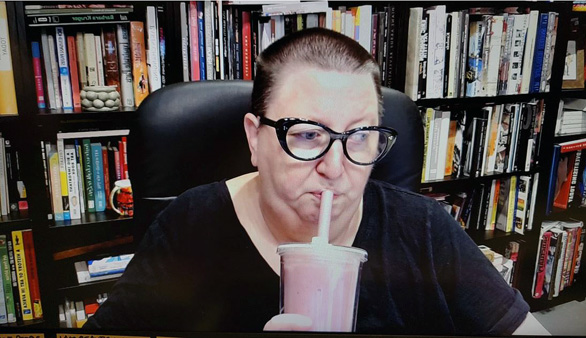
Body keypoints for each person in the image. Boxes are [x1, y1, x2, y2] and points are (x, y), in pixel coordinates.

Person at [84, 28, 548, 335]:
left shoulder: (422, 228)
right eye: (307, 135)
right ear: (254, 138)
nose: (334, 166)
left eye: (360, 136)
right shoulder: (190, 225)